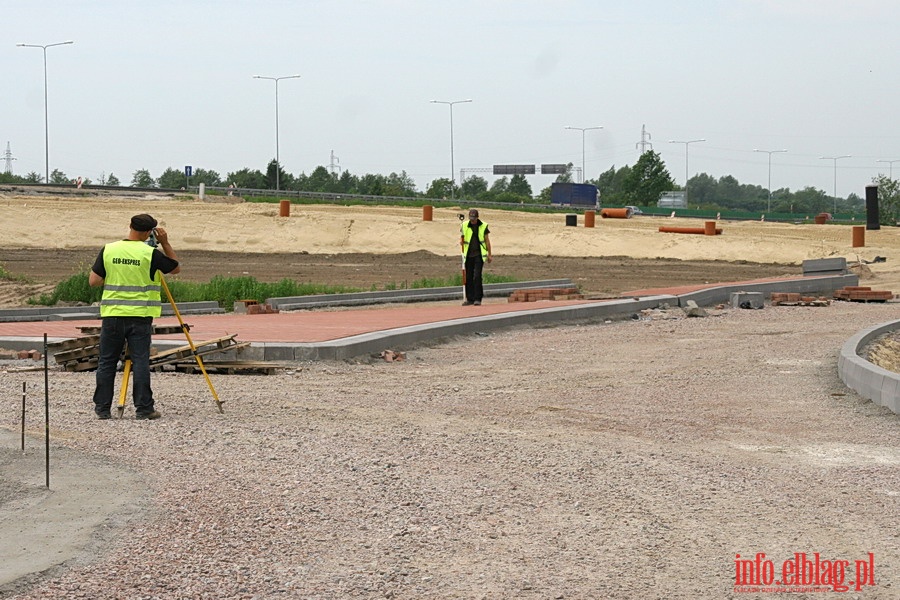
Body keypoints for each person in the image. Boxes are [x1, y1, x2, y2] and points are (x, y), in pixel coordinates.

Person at [89, 214, 180, 420]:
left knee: (106, 362)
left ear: (130, 226)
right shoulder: (149, 253)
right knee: (140, 362)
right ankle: (144, 409)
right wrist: (165, 243)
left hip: (113, 316)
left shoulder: (109, 249)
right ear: (150, 232)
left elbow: (94, 281)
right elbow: (175, 268)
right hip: (140, 316)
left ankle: (102, 409)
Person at [460, 208, 492, 306]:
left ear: (477, 217)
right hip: (468, 255)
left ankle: (478, 298)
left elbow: (487, 241)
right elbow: (462, 237)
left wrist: (489, 254)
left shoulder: (483, 226)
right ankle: (470, 298)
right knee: (468, 277)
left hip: (479, 255)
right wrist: (461, 242)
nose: (472, 220)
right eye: (471, 218)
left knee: (477, 276)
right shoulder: (464, 225)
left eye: (474, 218)